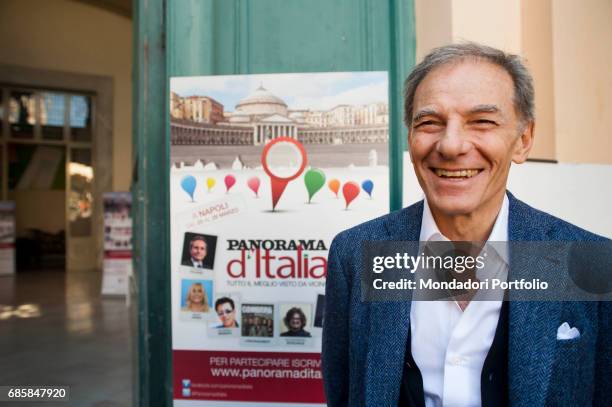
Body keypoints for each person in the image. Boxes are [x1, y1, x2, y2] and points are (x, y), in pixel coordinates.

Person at [322, 42, 610, 406]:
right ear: (410, 137)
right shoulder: (356, 253)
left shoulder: (588, 262)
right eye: (429, 122)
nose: (451, 145)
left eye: (482, 122)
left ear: (523, 140)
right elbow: (344, 391)